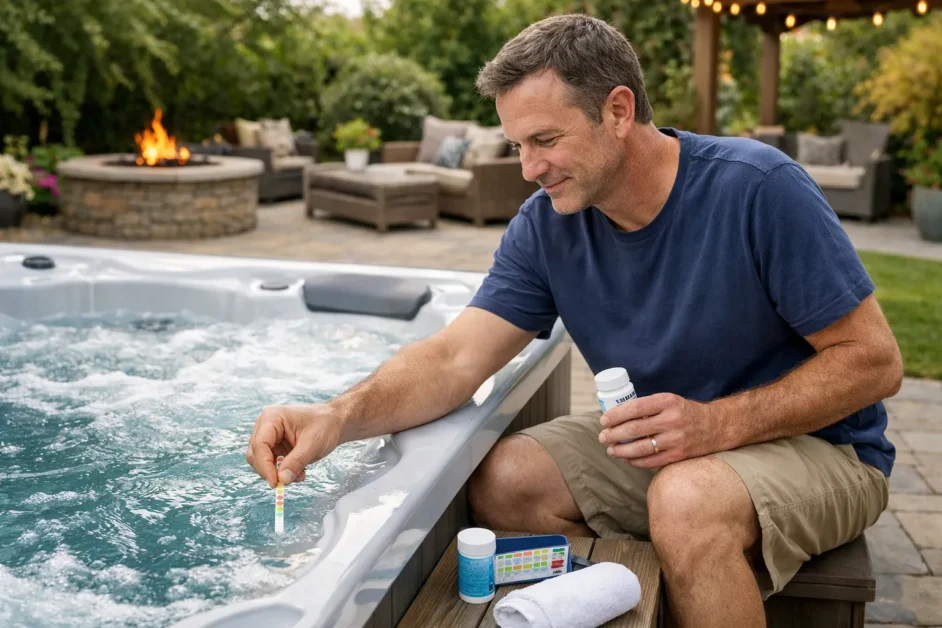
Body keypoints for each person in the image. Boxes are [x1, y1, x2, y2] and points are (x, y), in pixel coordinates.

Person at [245, 14, 901, 627]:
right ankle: (654, 588)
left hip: (823, 445)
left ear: (618, 111)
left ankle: (694, 555)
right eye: (517, 145)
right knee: (505, 481)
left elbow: (874, 362)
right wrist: (335, 417)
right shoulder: (547, 226)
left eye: (545, 140)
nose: (529, 169)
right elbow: (454, 358)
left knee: (687, 503)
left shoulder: (758, 189)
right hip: (668, 440)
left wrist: (716, 423)